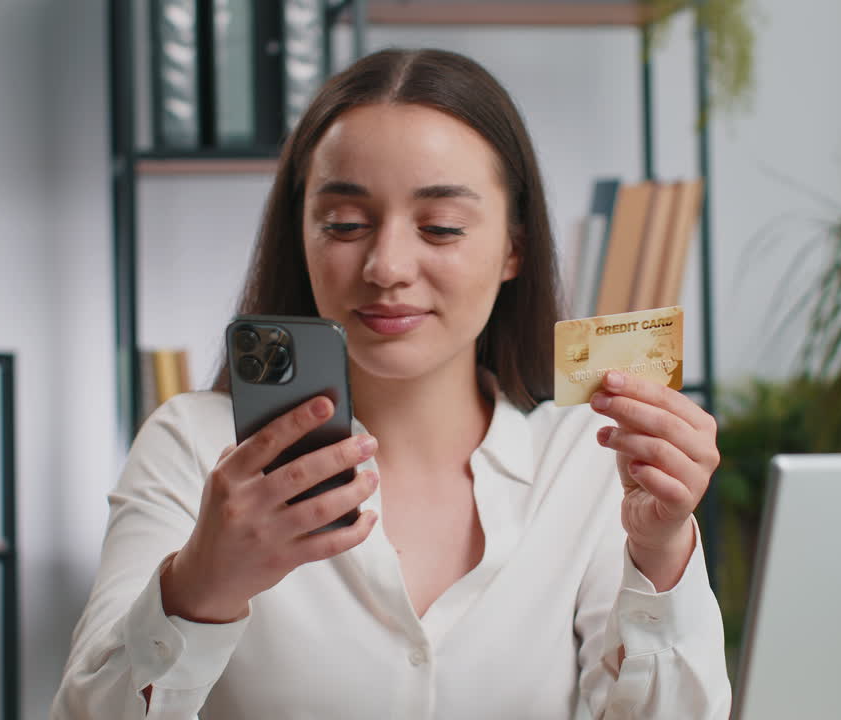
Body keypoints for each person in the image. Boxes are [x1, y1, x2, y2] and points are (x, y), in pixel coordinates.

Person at [52, 48, 729, 719]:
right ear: (303, 234)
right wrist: (198, 588)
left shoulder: (591, 463)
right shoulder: (195, 446)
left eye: (440, 227)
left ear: (515, 247)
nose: (386, 266)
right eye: (345, 225)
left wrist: (662, 551)